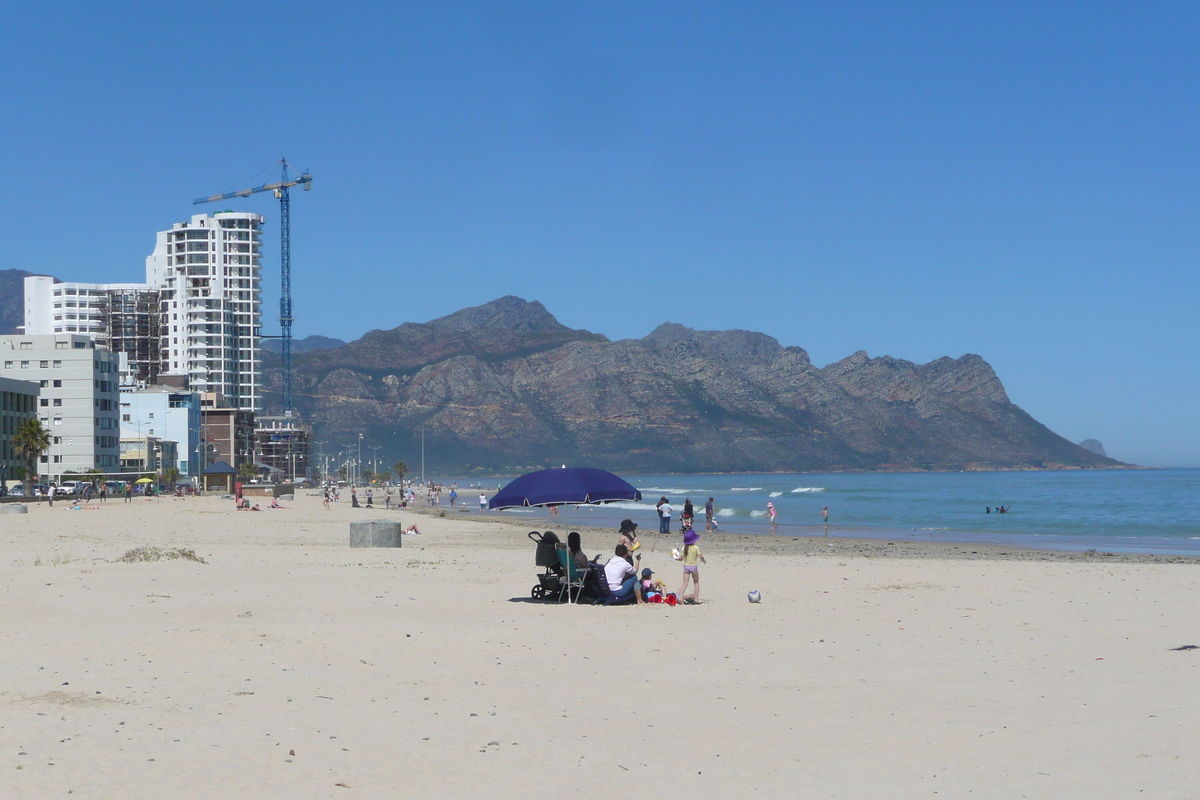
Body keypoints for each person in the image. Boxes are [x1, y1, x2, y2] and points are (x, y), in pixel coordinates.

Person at [678, 529, 707, 604]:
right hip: (693, 567)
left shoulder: (684, 548)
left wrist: (677, 559)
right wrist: (703, 560)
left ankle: (680, 597)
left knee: (685, 583)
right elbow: (700, 556)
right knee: (696, 582)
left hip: (686, 567)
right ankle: (696, 598)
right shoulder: (695, 547)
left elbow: (681, 558)